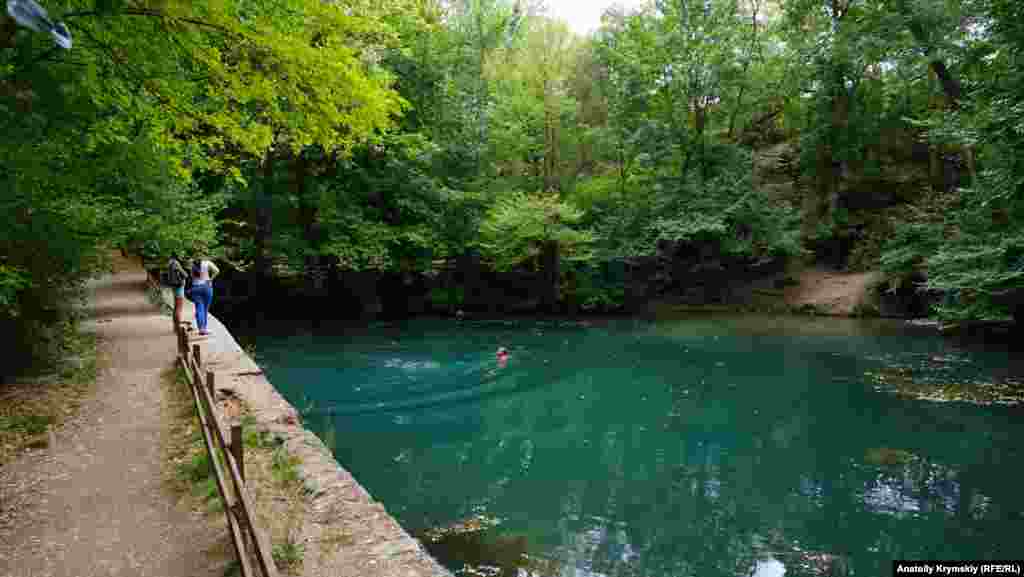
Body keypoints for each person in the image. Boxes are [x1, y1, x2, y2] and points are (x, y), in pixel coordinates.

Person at [190, 256, 220, 336]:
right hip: (206, 286)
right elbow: (217, 271)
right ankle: (204, 329)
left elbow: (192, 276)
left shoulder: (193, 264)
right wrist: (210, 279)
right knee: (205, 309)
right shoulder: (207, 263)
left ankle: (201, 329)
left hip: (196, 287)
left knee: (199, 307)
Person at [167, 254, 189, 331]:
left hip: (174, 286)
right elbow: (185, 274)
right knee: (179, 308)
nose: (182, 255)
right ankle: (177, 327)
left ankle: (175, 326)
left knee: (176, 307)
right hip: (179, 287)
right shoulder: (175, 263)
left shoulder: (170, 263)